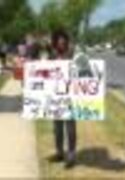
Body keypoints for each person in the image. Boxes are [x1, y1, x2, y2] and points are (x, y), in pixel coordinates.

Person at [49, 29, 77, 169]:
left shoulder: (73, 53)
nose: (61, 42)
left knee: (70, 126)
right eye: (58, 40)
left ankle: (71, 155)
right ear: (55, 41)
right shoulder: (53, 54)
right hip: (55, 95)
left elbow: (82, 70)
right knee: (57, 126)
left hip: (70, 95)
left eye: (63, 40)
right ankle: (59, 152)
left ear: (66, 41)